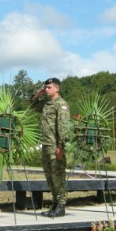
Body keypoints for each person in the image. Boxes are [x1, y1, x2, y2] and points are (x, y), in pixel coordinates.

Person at [30, 78, 70, 217]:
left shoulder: (61, 105)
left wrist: (61, 147)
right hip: (46, 146)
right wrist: (38, 93)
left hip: (55, 147)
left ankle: (61, 206)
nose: (46, 89)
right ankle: (55, 205)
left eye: (48, 87)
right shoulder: (46, 104)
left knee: (58, 177)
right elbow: (32, 105)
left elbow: (63, 128)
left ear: (57, 88)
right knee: (50, 178)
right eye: (45, 87)